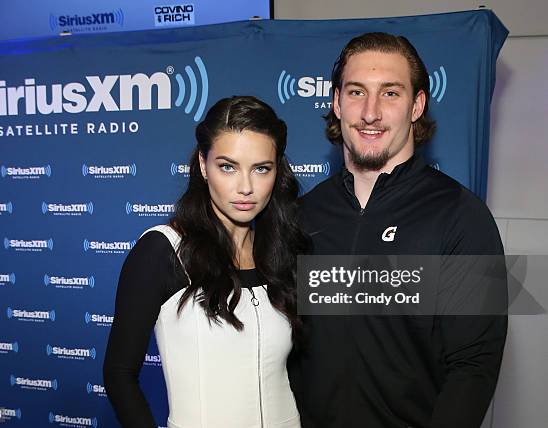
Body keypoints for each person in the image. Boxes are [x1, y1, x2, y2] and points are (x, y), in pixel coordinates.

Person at [289, 33, 508, 428]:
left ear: (416, 105)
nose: (370, 112)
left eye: (390, 93)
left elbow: (473, 368)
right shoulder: (302, 215)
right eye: (356, 92)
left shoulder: (461, 215)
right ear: (337, 102)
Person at [103, 96, 307, 428]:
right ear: (203, 164)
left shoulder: (284, 253)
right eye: (227, 166)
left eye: (261, 169)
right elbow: (119, 374)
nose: (245, 187)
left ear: (276, 171)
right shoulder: (163, 250)